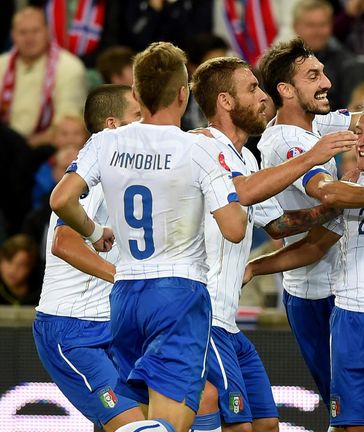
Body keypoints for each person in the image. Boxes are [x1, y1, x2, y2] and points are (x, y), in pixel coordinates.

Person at [50, 42, 247, 432]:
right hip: (178, 294)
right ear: (182, 93)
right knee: (172, 423)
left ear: (138, 93)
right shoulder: (198, 149)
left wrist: (95, 233)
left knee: (149, 416)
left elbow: (62, 199)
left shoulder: (106, 142)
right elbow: (235, 230)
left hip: (124, 296)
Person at [257, 37, 364, 412]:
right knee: (348, 408)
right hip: (314, 294)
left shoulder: (317, 123)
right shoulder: (286, 142)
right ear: (286, 89)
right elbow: (328, 193)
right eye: (313, 75)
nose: (327, 82)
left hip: (344, 286)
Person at [189, 55, 351, 432]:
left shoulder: (245, 158)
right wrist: (314, 159)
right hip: (201, 312)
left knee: (265, 424)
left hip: (227, 320)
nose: (264, 97)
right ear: (226, 102)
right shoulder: (198, 147)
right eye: (252, 89)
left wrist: (340, 204)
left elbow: (278, 225)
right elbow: (238, 195)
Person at [32, 84, 145, 432]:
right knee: (134, 427)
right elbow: (63, 242)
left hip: (113, 325)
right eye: (137, 117)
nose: (146, 124)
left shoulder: (130, 170)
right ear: (112, 125)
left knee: (159, 419)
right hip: (72, 329)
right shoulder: (92, 175)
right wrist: (122, 278)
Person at [0, 6, 87, 146]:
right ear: (12, 35)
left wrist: (25, 146)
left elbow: (66, 126)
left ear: (48, 31)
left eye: (35, 31)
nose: (29, 38)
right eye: (23, 32)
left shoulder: (70, 67)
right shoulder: (2, 64)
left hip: (46, 148)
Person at [0, 234, 40, 306]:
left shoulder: (40, 294)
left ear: (31, 267)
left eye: (21, 265)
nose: (13, 270)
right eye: (9, 261)